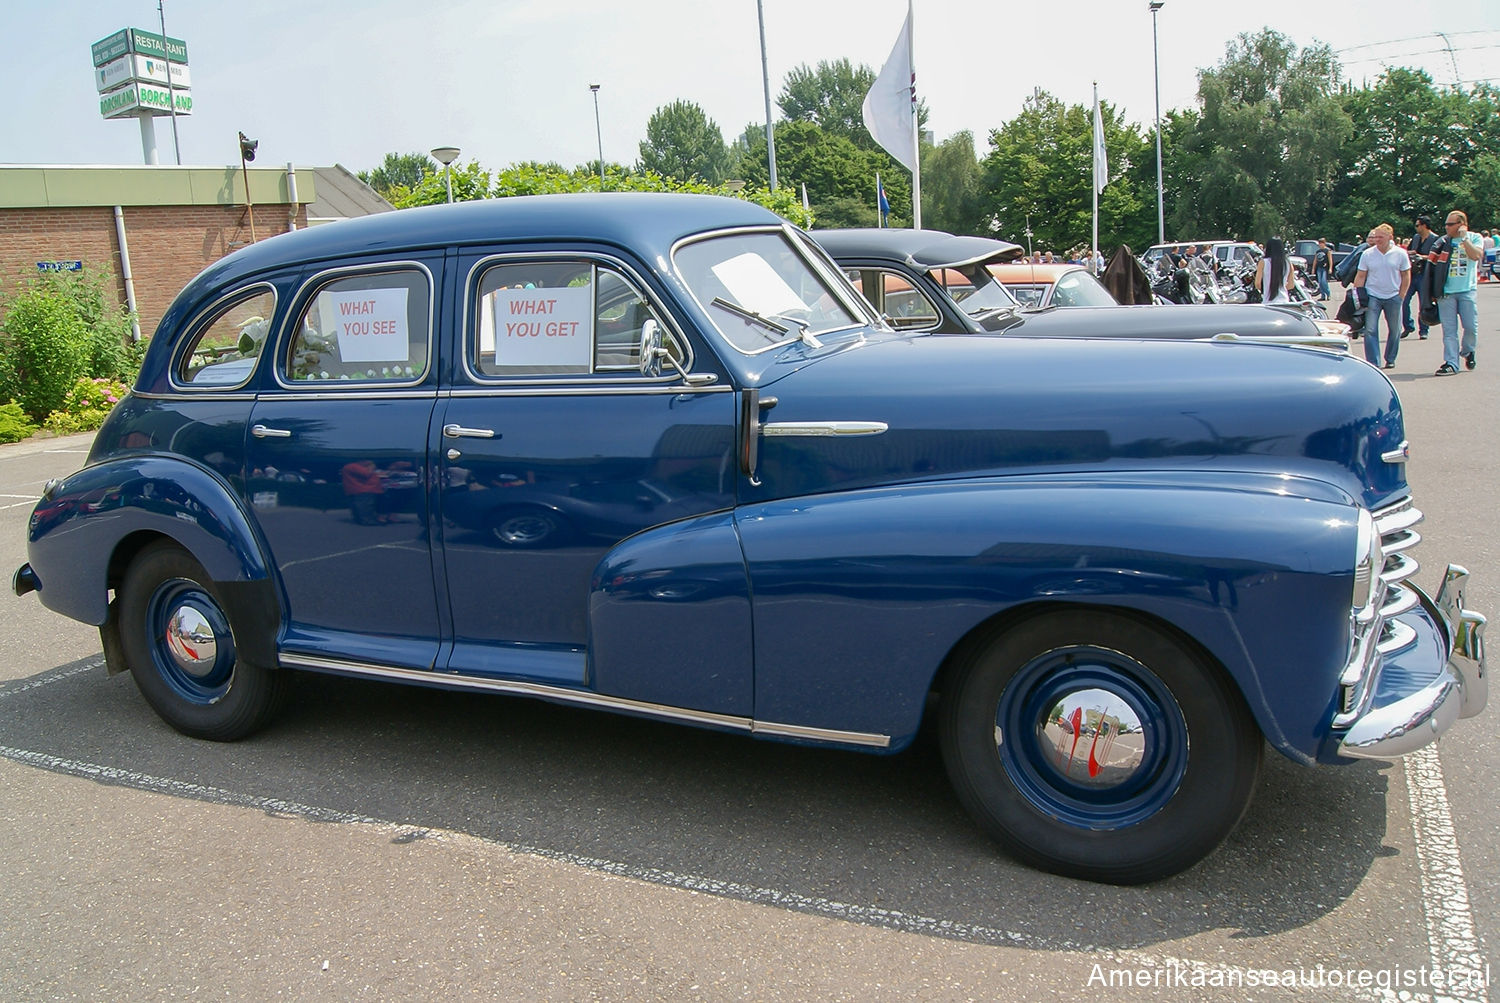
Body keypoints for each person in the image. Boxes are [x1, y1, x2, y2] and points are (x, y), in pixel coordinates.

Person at [1353, 224, 1410, 370]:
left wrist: (1401, 295)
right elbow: (1361, 275)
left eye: (1380, 237)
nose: (1377, 240)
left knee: (1395, 329)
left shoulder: (1400, 253)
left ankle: (1390, 358)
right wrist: (1358, 295)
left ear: (1390, 237)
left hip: (1393, 295)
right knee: (1370, 329)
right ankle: (1374, 362)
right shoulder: (1368, 254)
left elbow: (1406, 275)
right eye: (1375, 237)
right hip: (1373, 295)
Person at [1434, 209, 1484, 376]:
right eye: (1446, 224)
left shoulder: (1474, 238)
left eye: (1450, 224)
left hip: (1466, 290)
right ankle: (1451, 362)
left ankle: (1468, 350)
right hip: (1446, 291)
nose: (1446, 227)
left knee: (1470, 327)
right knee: (1449, 331)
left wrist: (1464, 238)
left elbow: (1475, 255)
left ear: (1461, 225)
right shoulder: (1443, 242)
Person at [1403, 216, 1439, 339]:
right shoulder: (1416, 238)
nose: (1416, 227)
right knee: (1404, 299)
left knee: (1424, 303)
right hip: (1413, 273)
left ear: (1424, 226)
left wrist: (1422, 257)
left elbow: (1437, 257)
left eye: (1418, 225)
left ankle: (1424, 329)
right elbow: (1410, 250)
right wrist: (1412, 253)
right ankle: (1408, 325)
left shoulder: (1435, 239)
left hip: (1426, 274)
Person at [1253, 238, 1295, 305]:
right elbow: (1291, 285)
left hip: (1268, 302)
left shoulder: (1263, 262)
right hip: (1284, 301)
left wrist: (1266, 289)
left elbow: (1257, 284)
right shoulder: (1288, 263)